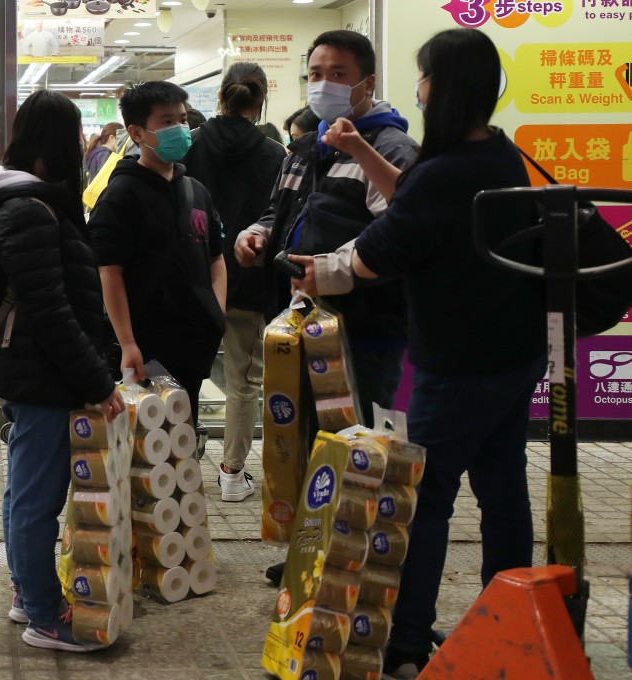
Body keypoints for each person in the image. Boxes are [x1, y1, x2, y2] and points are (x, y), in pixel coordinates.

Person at [286, 28, 547, 678]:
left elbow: (380, 251)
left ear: (443, 88)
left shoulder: (448, 168)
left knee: (420, 500)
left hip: (458, 363)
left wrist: (323, 273)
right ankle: (508, 617)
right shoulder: (497, 155)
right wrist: (361, 153)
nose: (421, 89)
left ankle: (403, 642)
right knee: (503, 490)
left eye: (425, 77)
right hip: (513, 355)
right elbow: (413, 197)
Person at [0, 89, 125, 653]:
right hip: (43, 373)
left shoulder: (26, 202)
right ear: (58, 140)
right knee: (36, 499)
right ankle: (42, 613)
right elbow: (52, 313)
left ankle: (25, 592)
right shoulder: (31, 210)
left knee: (25, 493)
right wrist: (99, 383)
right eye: (77, 133)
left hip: (34, 369)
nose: (82, 145)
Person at [235, 30, 417, 428]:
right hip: (299, 325)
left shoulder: (391, 148)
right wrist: (258, 235)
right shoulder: (304, 149)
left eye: (337, 74)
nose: (322, 85)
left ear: (367, 83)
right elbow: (276, 212)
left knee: (357, 451)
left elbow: (399, 235)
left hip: (363, 335)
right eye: (315, 74)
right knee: (302, 449)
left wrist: (332, 271)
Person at [89, 81, 227, 418]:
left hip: (193, 346)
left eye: (182, 119)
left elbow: (217, 258)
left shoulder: (196, 191)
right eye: (166, 122)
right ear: (137, 133)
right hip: (144, 349)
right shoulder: (121, 195)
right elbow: (110, 272)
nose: (180, 129)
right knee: (143, 450)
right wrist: (127, 342)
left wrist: (216, 312)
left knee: (183, 448)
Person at [183, 62, 287, 503]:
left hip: (194, 278)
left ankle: (176, 468)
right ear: (260, 101)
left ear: (221, 96)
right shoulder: (276, 155)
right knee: (244, 379)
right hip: (249, 281)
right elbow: (281, 219)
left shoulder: (191, 145)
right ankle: (231, 473)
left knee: (181, 374)